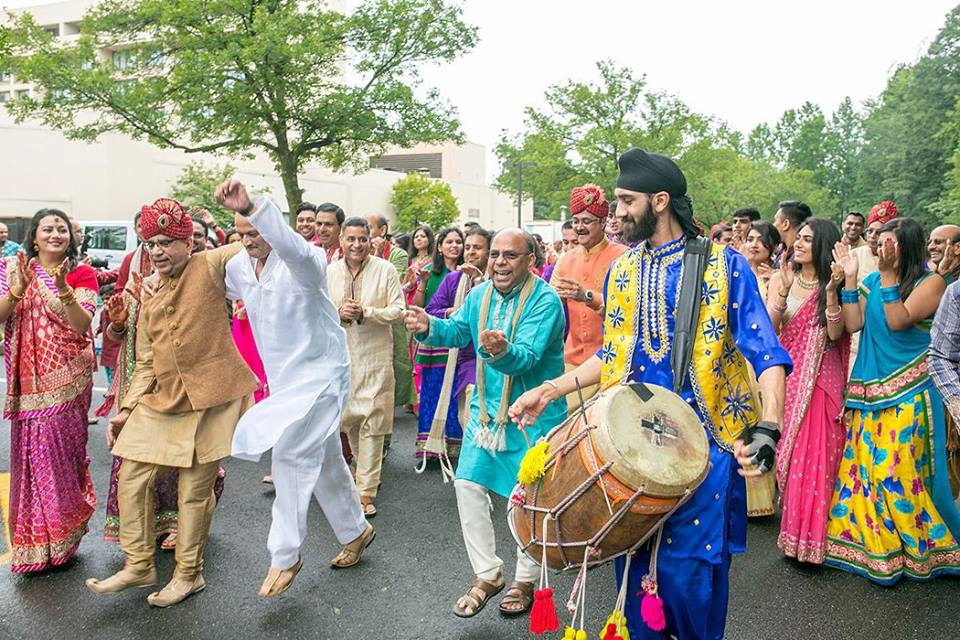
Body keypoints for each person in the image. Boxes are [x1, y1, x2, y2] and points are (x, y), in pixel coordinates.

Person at [510, 148, 790, 640]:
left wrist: (769, 426)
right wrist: (551, 390)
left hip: (709, 450)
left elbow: (766, 353)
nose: (615, 212)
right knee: (638, 586)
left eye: (625, 200)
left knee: (689, 584)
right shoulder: (624, 271)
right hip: (634, 452)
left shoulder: (724, 266)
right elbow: (613, 358)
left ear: (660, 201)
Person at [86, 198, 258, 607]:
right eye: (150, 244)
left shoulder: (212, 265)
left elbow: (260, 240)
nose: (157, 251)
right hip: (166, 400)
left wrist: (249, 207)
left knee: (194, 491)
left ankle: (189, 575)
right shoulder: (151, 293)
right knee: (132, 477)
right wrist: (125, 410)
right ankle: (139, 563)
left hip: (213, 398)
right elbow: (146, 361)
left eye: (166, 242)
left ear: (188, 243)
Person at [212, 180, 374, 596]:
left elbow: (292, 245)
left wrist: (251, 205)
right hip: (284, 383)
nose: (249, 242)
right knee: (326, 462)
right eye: (241, 235)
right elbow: (210, 284)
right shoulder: (238, 267)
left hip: (322, 375)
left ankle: (285, 555)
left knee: (288, 455)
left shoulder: (306, 260)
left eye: (256, 232)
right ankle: (356, 531)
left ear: (273, 227)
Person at [405, 228, 567, 619]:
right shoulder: (479, 295)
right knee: (466, 484)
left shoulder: (544, 301)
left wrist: (501, 351)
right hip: (486, 414)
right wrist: (428, 323)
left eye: (510, 256)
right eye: (494, 255)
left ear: (531, 260)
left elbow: (525, 358)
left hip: (532, 415)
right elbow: (459, 331)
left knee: (523, 501)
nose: (499, 263)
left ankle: (525, 581)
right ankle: (488, 573)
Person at [826, 218, 960, 584]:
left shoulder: (932, 283)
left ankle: (932, 549)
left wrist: (885, 276)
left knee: (897, 474)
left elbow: (899, 320)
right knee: (865, 473)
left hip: (912, 391)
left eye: (889, 243)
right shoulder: (872, 280)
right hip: (870, 391)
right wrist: (850, 280)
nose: (881, 249)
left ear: (907, 247)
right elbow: (853, 325)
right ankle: (879, 549)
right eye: (879, 243)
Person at [0, 209, 98, 573]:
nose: (55, 234)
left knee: (63, 459)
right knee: (33, 459)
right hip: (29, 382)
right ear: (35, 236)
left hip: (70, 381)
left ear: (70, 237)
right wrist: (17, 290)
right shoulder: (13, 268)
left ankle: (63, 539)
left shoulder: (80, 272)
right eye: (47, 228)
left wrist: (63, 290)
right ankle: (36, 545)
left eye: (61, 229)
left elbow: (83, 323)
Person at [766, 219, 849, 563]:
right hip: (790, 379)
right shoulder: (782, 278)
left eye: (807, 240)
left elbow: (835, 333)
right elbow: (771, 334)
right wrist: (783, 292)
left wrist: (831, 293)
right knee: (790, 457)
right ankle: (794, 536)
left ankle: (811, 541)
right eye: (797, 238)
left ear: (822, 246)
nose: (797, 244)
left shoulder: (835, 283)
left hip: (819, 384)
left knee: (811, 460)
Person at [327, 218, 405, 518]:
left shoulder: (385, 269)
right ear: (341, 240)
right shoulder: (330, 272)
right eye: (351, 239)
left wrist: (367, 312)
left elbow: (399, 310)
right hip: (341, 359)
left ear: (372, 240)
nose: (357, 245)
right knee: (348, 421)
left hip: (375, 357)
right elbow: (317, 312)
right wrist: (338, 312)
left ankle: (365, 491)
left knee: (372, 423)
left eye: (363, 239)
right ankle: (359, 478)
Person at [420, 227, 492, 478]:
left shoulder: (500, 280)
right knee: (468, 413)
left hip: (496, 358)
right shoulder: (453, 280)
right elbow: (433, 309)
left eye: (477, 247)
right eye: (468, 246)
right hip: (466, 358)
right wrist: (455, 312)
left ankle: (484, 467)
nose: (471, 252)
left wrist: (481, 283)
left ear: (489, 251)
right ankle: (476, 465)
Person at [550, 184, 627, 411]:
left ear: (604, 223)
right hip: (571, 361)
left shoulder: (623, 257)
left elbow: (626, 310)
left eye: (587, 221)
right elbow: (550, 305)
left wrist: (587, 297)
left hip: (611, 362)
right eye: (576, 221)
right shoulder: (565, 260)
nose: (580, 227)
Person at [413, 227, 465, 463]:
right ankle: (430, 448)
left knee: (456, 395)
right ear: (440, 246)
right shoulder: (431, 273)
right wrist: (447, 311)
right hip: (436, 342)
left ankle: (454, 447)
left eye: (458, 242)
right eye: (449, 242)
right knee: (432, 394)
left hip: (460, 344)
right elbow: (419, 307)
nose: (455, 246)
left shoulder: (469, 274)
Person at [740, 219, 781, 517]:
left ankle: (761, 499)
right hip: (735, 359)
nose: (754, 244)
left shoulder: (776, 279)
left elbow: (768, 323)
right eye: (750, 238)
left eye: (761, 240)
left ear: (773, 248)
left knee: (760, 422)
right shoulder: (734, 274)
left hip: (763, 359)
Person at [366, 213, 412, 412]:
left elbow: (393, 284)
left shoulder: (398, 254)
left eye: (368, 227)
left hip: (390, 315)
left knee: (394, 364)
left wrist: (375, 255)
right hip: (366, 321)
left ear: (382, 231)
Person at [773, 200, 813, 268]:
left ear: (786, 224)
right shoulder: (781, 251)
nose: (773, 225)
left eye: (775, 220)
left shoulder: (801, 256)